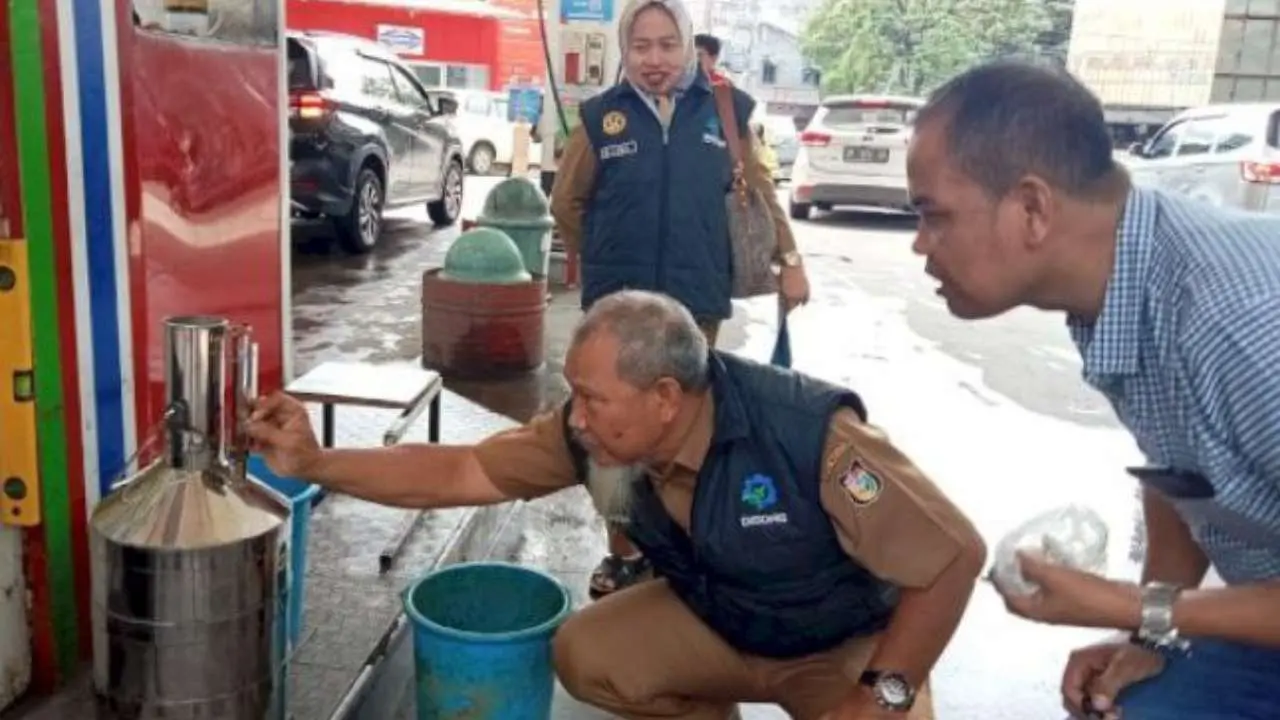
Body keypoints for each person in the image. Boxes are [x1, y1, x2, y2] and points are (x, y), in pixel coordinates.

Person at [248, 290, 986, 719]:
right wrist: (317, 463)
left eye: (594, 399)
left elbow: (953, 557)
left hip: (839, 646)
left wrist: (883, 692)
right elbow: (460, 471)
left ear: (666, 397)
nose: (575, 418)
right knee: (586, 651)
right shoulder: (593, 434)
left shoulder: (809, 436)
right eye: (576, 393)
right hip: (722, 624)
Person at [905, 59, 1280, 719]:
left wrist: (1131, 605)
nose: (919, 245)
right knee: (1130, 701)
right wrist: (1148, 633)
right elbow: (1179, 471)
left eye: (935, 217)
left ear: (1032, 208)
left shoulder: (1238, 325)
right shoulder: (1123, 283)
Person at [550, 0, 810, 600]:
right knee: (610, 433)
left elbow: (761, 194)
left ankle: (684, 550)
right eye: (641, 47)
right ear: (626, 51)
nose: (655, 59)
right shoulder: (601, 118)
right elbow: (568, 204)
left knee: (687, 427)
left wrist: (790, 261)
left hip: (696, 304)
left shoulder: (725, 109)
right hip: (616, 311)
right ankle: (623, 553)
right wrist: (603, 256)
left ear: (689, 45)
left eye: (668, 44)